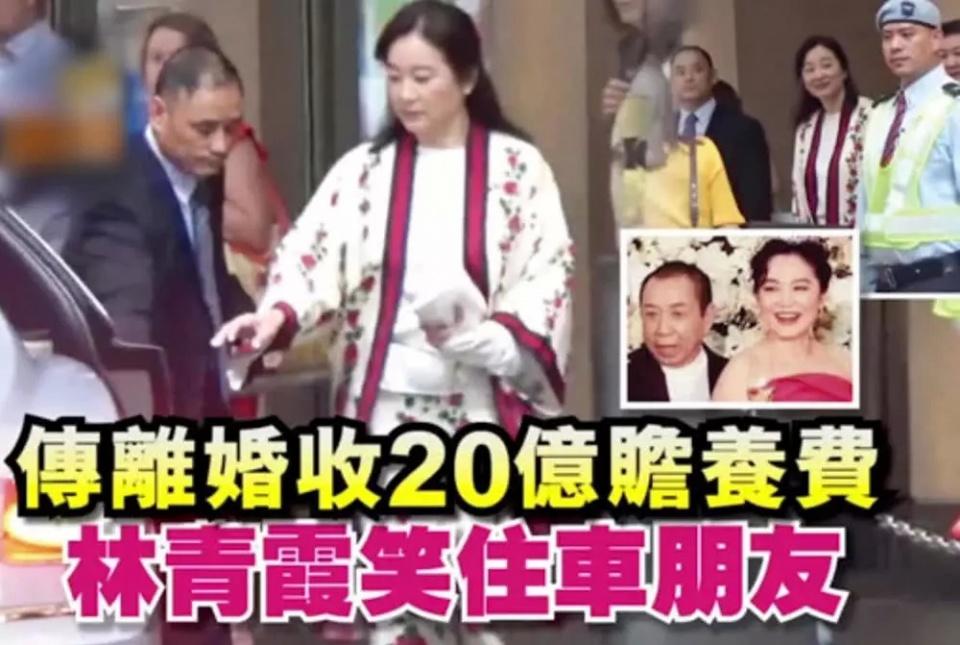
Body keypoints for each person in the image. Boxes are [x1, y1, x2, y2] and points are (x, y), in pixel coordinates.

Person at [212, 1, 572, 643]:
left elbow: (548, 273)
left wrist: (495, 338)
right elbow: (310, 257)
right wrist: (274, 316)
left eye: (422, 77)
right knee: (393, 590)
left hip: (475, 409)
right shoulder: (365, 172)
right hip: (383, 407)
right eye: (394, 76)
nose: (405, 94)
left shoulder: (519, 169)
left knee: (463, 589)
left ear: (467, 78)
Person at [137, 11, 287, 277]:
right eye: (156, 58)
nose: (165, 68)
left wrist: (184, 203)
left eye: (176, 56)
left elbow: (255, 231)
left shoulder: (224, 146)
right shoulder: (136, 147)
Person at [861, 0, 960, 293]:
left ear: (936, 38)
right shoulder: (879, 113)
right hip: (882, 281)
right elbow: (866, 203)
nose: (895, 45)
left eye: (907, 34)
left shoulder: (954, 107)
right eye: (887, 36)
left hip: (943, 277)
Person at [712, 239, 852, 403]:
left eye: (800, 288)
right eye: (771, 288)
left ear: (822, 296)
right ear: (757, 297)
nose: (786, 301)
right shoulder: (741, 371)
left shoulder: (846, 362)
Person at [791, 36, 872, 227]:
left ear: (844, 71)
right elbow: (798, 193)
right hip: (820, 238)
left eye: (826, 65)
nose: (818, 75)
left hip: (864, 236)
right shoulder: (806, 128)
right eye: (809, 69)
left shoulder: (870, 115)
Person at [626, 261, 727, 403]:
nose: (663, 330)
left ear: (707, 318)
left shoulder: (734, 374)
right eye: (652, 314)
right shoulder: (622, 377)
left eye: (677, 314)